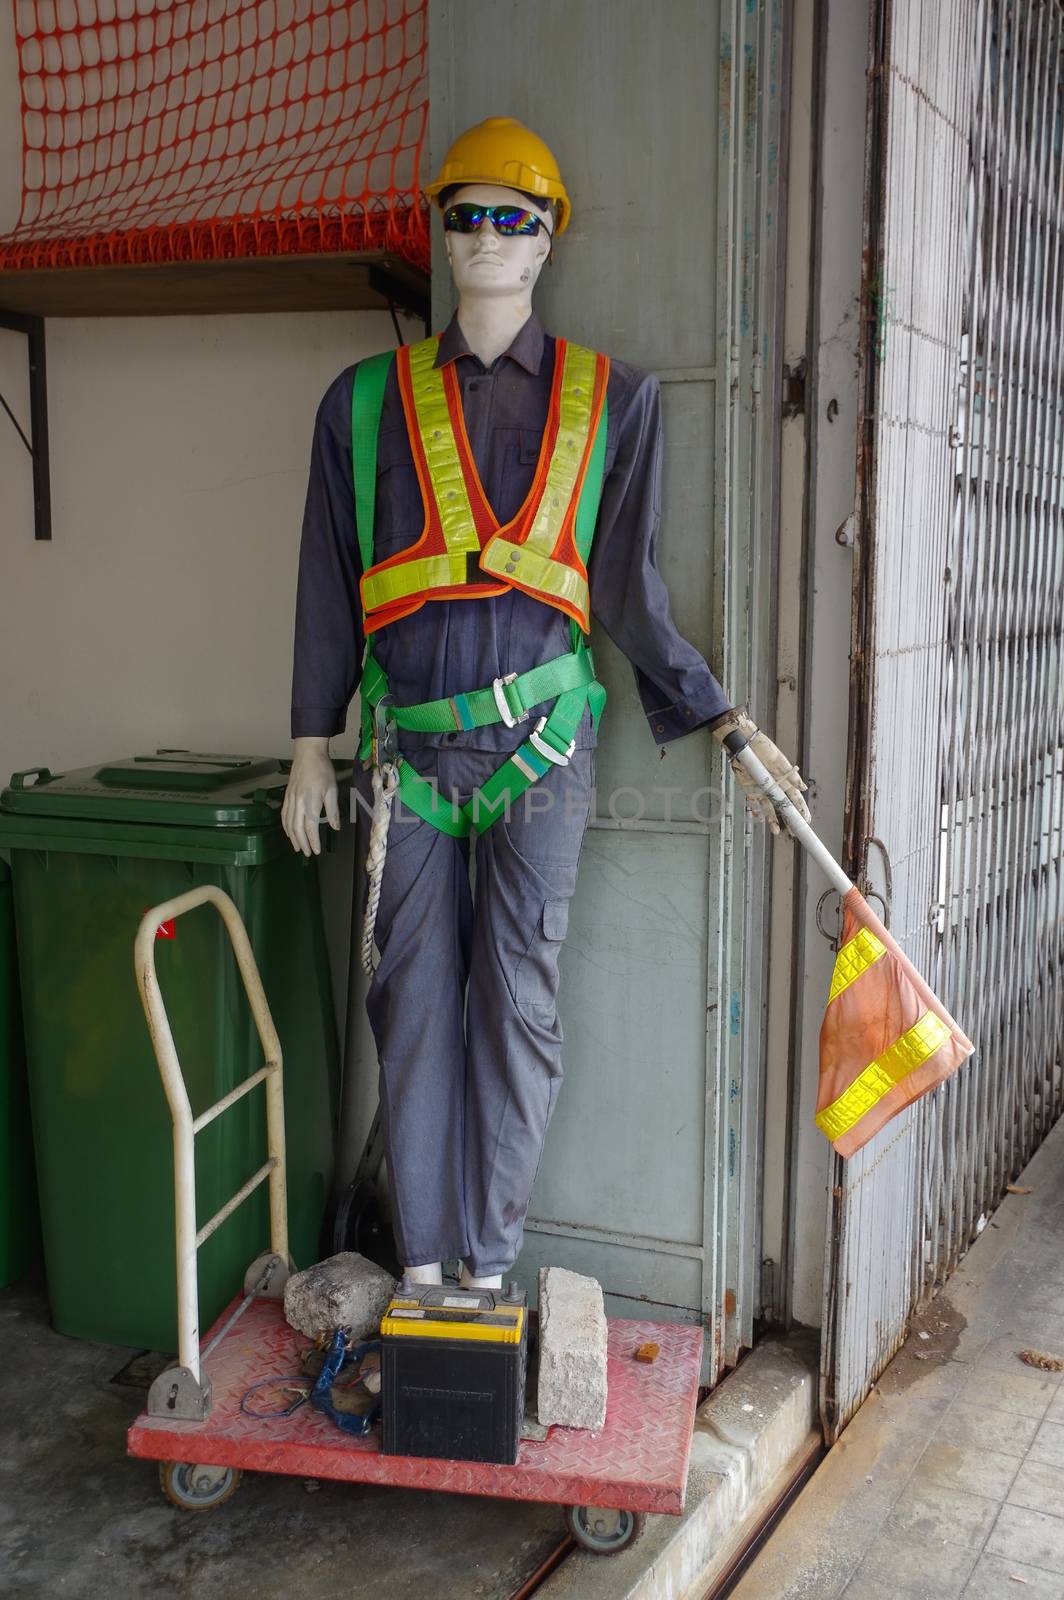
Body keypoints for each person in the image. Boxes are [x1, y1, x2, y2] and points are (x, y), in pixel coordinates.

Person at [283, 117, 809, 1291]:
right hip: (403, 762)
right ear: (439, 232)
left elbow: (628, 586)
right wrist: (307, 745)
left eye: (510, 218)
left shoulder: (612, 400)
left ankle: (485, 1265)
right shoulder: (360, 405)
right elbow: (327, 577)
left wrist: (716, 715)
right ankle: (424, 1271)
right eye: (462, 214)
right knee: (409, 1009)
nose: (483, 236)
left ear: (546, 242)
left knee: (514, 1008)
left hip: (544, 752)